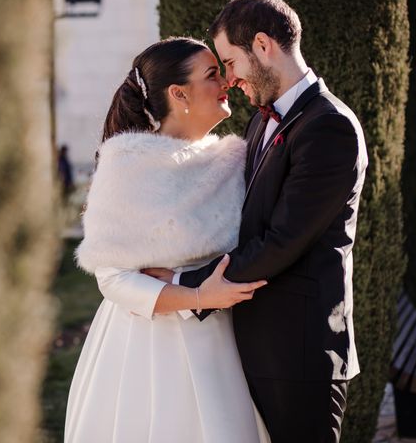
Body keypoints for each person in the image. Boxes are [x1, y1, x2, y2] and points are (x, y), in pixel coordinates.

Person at [145, 0, 367, 442]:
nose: (228, 79)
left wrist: (185, 285)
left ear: (263, 46)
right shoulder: (261, 122)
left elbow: (284, 240)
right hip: (255, 343)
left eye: (230, 62)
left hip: (301, 350)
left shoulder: (330, 126)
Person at [65, 37, 270, 443]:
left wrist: (189, 284)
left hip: (227, 339)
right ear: (179, 93)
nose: (227, 82)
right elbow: (114, 278)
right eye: (213, 74)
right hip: (145, 347)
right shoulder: (127, 165)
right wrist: (196, 296)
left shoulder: (234, 161)